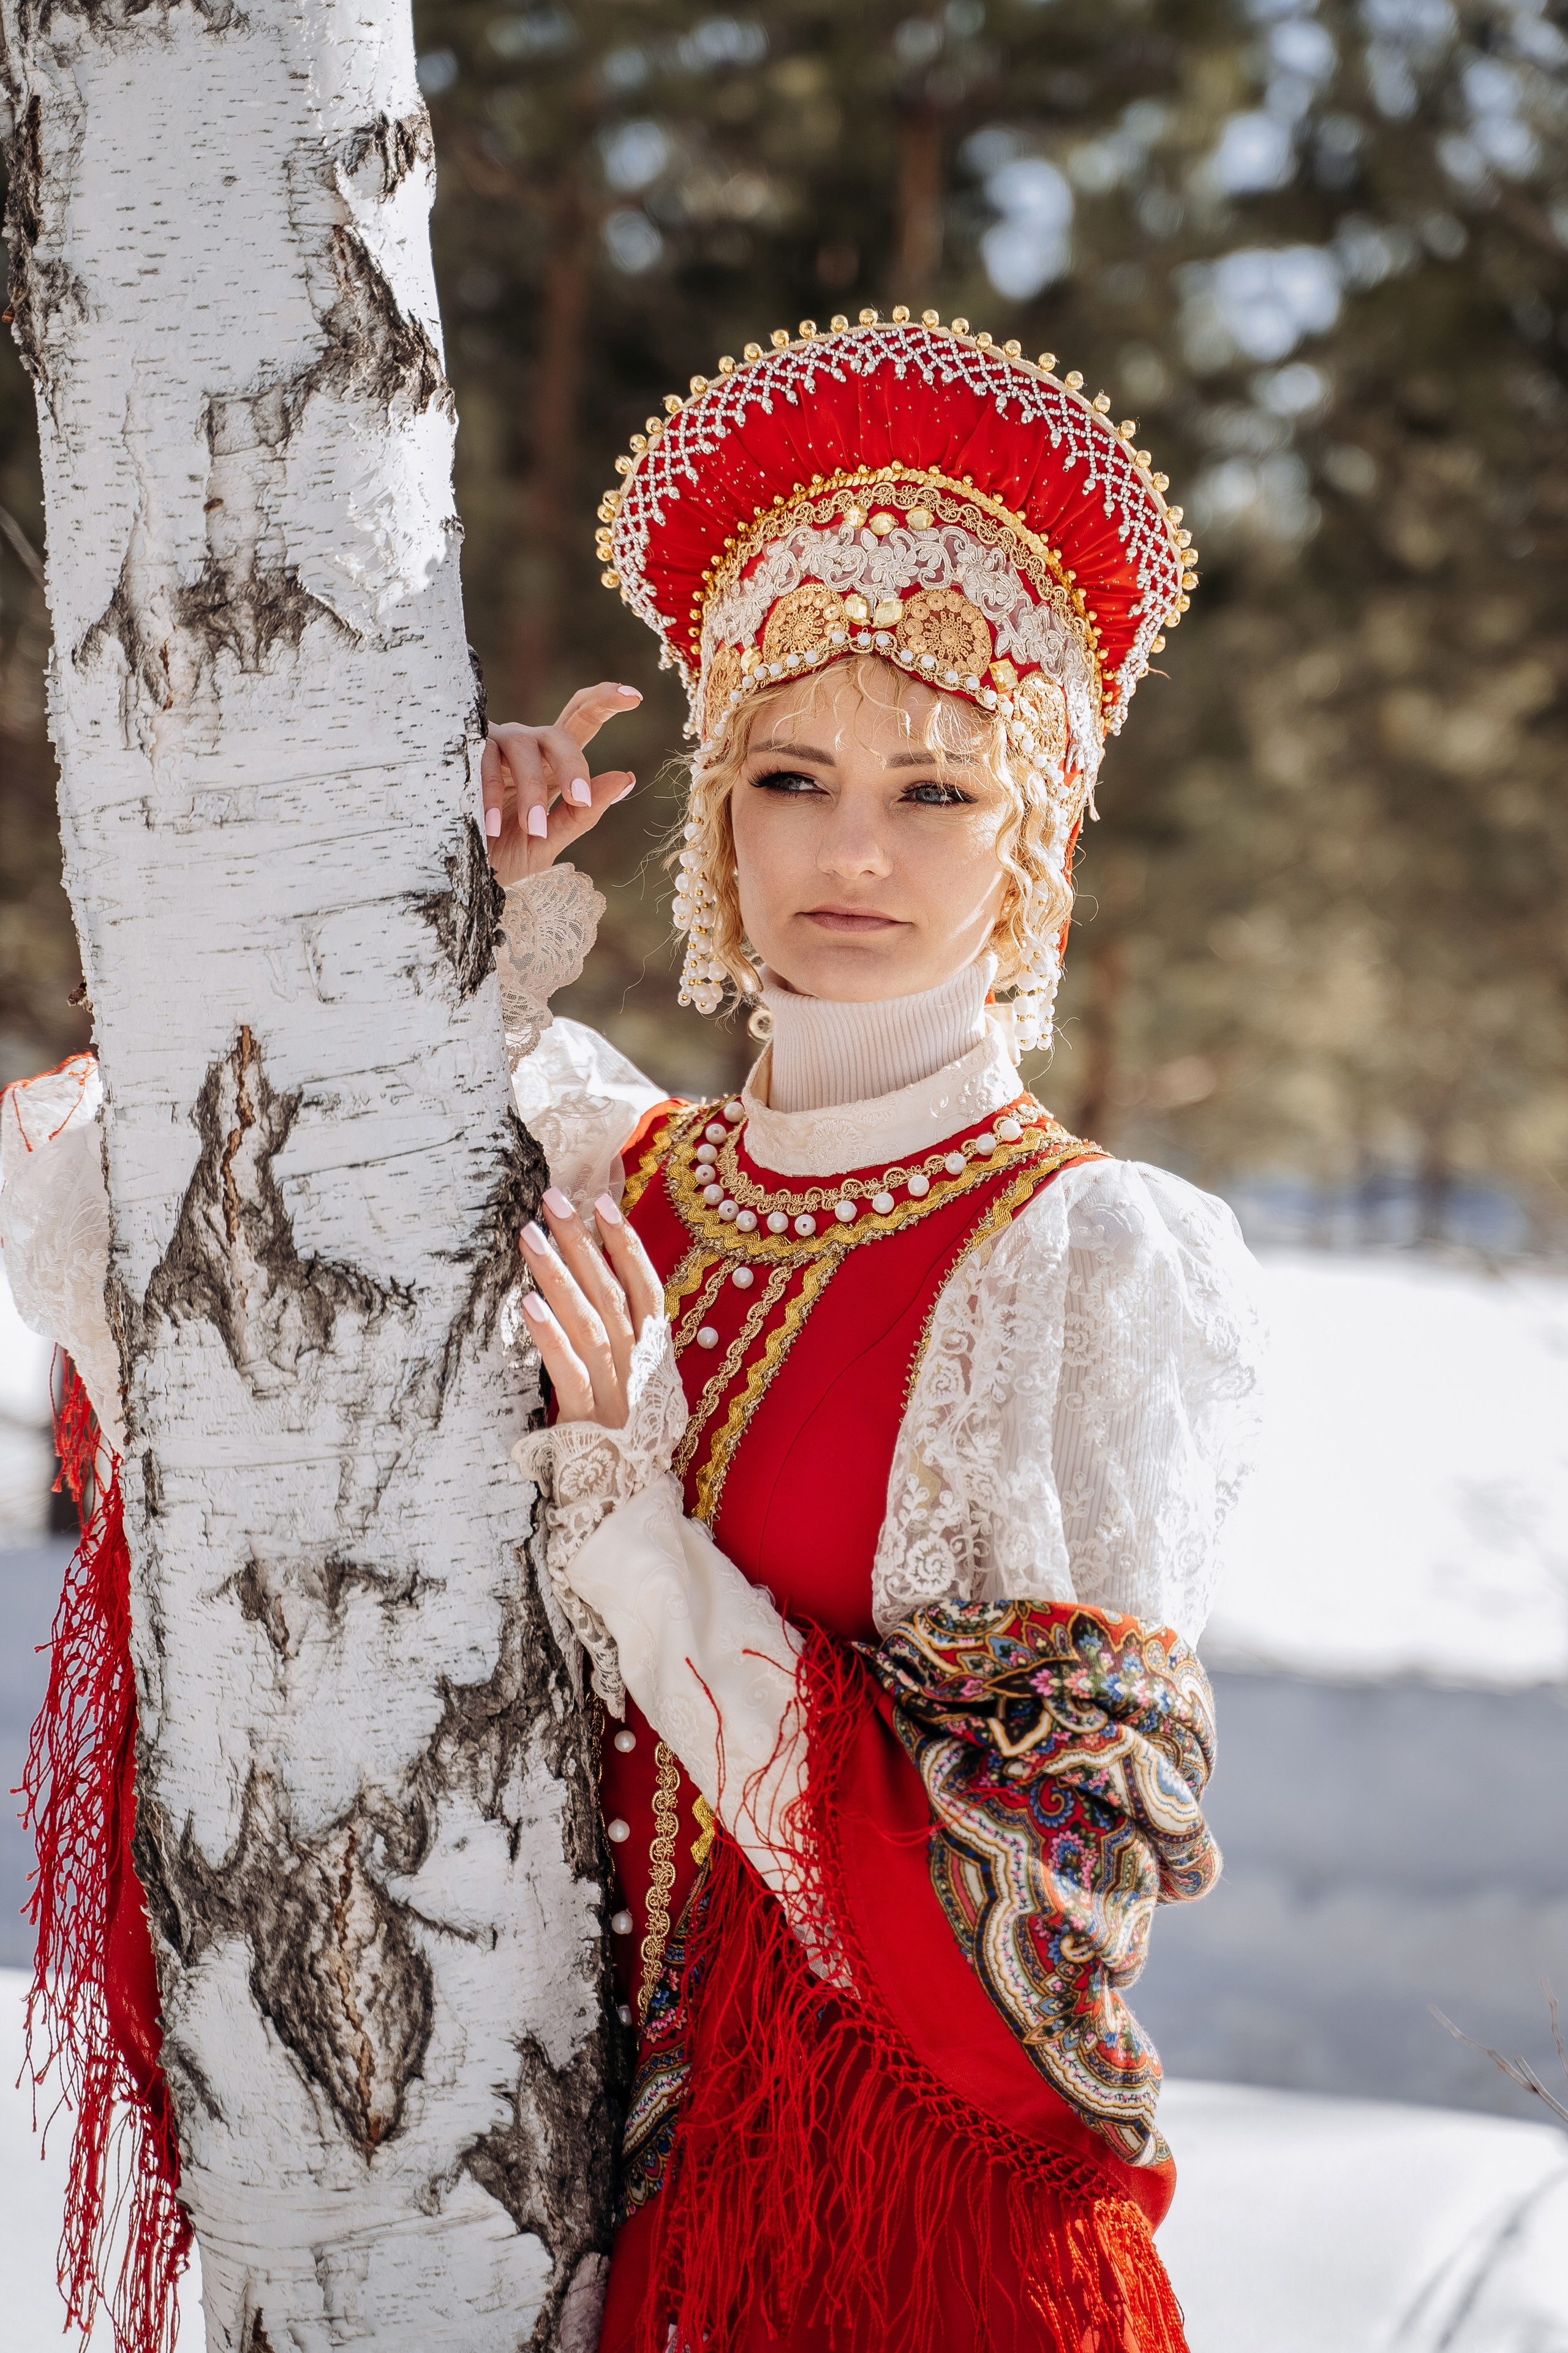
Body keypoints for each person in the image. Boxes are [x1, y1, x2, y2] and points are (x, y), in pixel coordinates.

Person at [1, 312, 1261, 2352]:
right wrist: (444, 935)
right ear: (717, 817)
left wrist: (635, 1530)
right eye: (792, 774)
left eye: (937, 789)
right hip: (567, 2245)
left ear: (1033, 833)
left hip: (907, 2258)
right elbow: (199, 1223)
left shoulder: (1081, 1268)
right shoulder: (614, 1171)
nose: (854, 848)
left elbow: (1028, 1958)